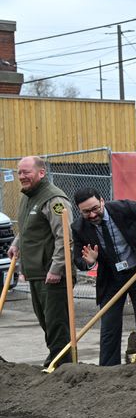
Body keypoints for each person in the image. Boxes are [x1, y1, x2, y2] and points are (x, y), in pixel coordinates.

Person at [69, 188, 136, 366]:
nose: (92, 214)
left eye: (95, 208)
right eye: (86, 212)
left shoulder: (123, 208)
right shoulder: (78, 228)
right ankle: (108, 370)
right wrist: (90, 262)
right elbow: (78, 260)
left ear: (102, 201)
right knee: (109, 326)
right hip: (111, 277)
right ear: (79, 210)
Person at [7, 156, 76, 366]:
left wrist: (57, 268)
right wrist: (16, 244)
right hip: (36, 272)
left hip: (52, 274)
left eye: (26, 172)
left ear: (41, 173)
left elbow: (65, 237)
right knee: (45, 320)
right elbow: (28, 226)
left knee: (56, 322)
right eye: (19, 172)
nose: (22, 176)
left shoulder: (54, 199)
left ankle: (62, 363)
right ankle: (56, 356)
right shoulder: (28, 197)